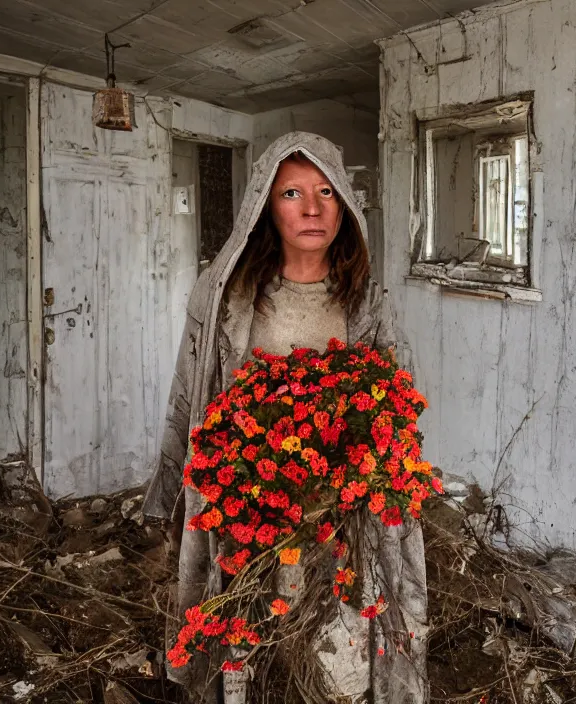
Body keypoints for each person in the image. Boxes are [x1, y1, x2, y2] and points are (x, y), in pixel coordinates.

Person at [143, 132, 428, 703]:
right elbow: (193, 391)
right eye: (292, 193)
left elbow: (395, 400)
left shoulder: (367, 301)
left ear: (344, 203)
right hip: (249, 505)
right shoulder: (229, 295)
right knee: (250, 625)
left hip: (336, 513)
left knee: (334, 630)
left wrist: (361, 471)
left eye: (326, 191)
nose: (313, 208)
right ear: (264, 207)